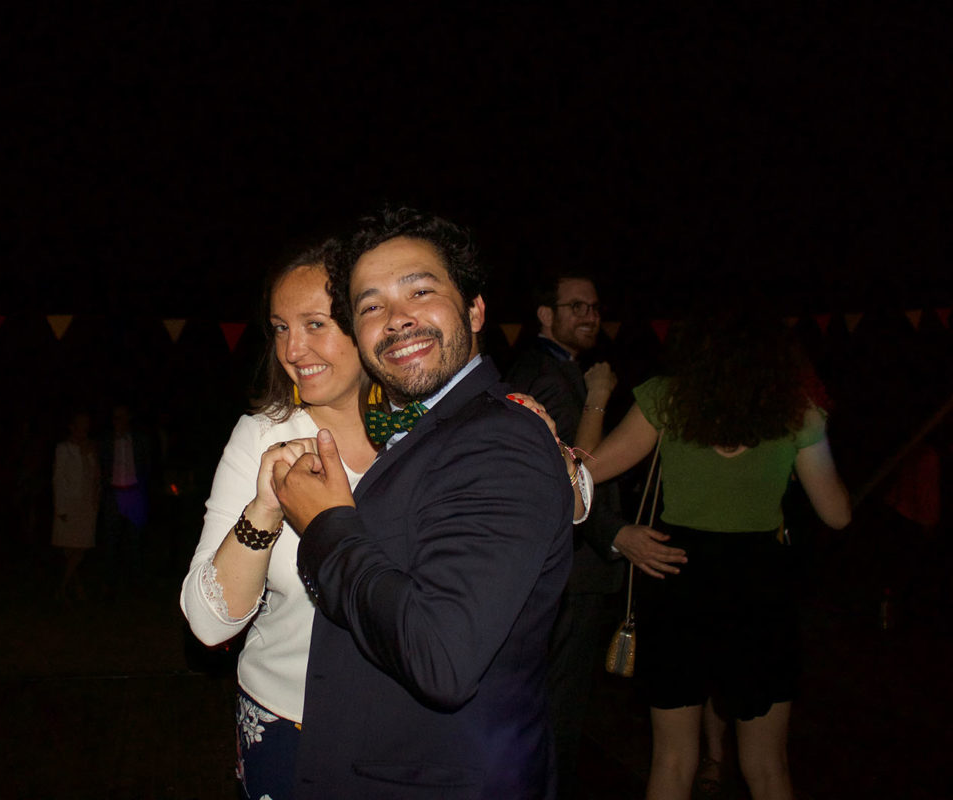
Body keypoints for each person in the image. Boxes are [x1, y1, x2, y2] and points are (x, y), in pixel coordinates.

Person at [272, 207, 577, 799]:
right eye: (371, 307)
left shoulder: (500, 438)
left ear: (475, 310)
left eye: (420, 291)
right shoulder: (423, 428)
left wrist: (326, 524)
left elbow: (441, 656)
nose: (397, 319)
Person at [574, 308, 851, 800]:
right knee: (768, 767)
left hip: (679, 580)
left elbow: (582, 476)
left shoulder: (668, 397)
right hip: (760, 591)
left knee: (673, 760)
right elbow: (837, 515)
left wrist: (596, 398)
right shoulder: (797, 410)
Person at [181, 244, 380, 800]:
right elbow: (207, 624)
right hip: (287, 722)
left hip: (412, 728)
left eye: (315, 324)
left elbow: (572, 498)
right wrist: (266, 508)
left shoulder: (426, 432)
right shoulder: (262, 436)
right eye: (280, 328)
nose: (293, 350)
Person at [507, 272, 687, 800]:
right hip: (571, 568)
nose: (591, 317)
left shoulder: (561, 367)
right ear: (546, 315)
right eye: (577, 307)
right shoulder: (545, 375)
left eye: (595, 307)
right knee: (557, 706)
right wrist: (614, 533)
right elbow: (567, 476)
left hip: (570, 567)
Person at [98, 403, 154, 596]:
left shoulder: (139, 440)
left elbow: (147, 465)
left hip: (134, 493)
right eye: (115, 417)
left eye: (121, 417)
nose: (118, 421)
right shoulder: (106, 441)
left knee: (135, 541)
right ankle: (109, 584)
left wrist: (143, 491)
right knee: (111, 540)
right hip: (113, 494)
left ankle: (136, 584)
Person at [52, 411, 101, 603]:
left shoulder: (91, 448)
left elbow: (95, 476)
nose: (83, 428)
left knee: (80, 548)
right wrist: (61, 508)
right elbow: (59, 478)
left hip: (86, 504)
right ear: (72, 426)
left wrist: (96, 496)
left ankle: (64, 587)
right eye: (80, 424)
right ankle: (70, 588)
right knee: (70, 549)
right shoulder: (64, 448)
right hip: (70, 503)